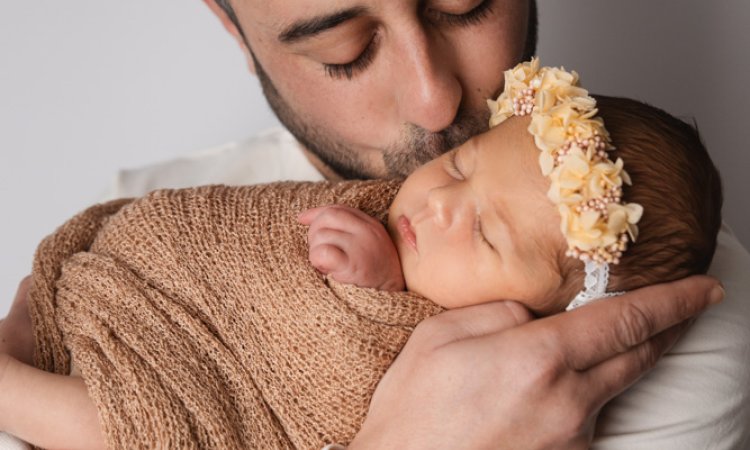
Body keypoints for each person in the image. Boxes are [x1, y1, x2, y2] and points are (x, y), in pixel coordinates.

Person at [1, 0, 747, 448]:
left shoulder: (651, 309)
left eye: (465, 5)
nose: (434, 100)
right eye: (345, 51)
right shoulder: (140, 204)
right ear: (231, 26)